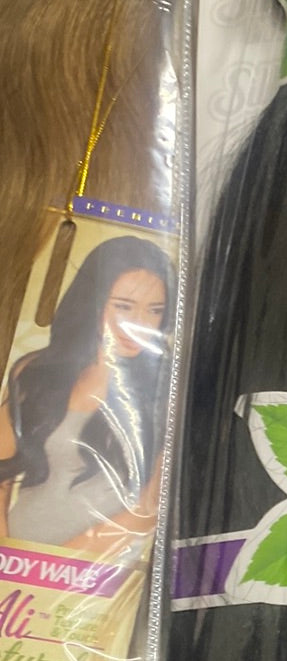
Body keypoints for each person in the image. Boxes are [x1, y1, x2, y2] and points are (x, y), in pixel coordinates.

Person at [0, 235, 175, 556]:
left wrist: (62, 564)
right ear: (92, 301)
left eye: (154, 310)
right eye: (123, 306)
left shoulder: (167, 392)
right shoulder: (38, 371)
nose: (139, 324)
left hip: (97, 569)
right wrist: (9, 555)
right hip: (17, 561)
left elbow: (148, 510)